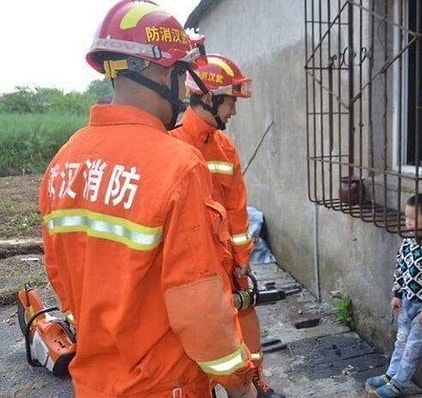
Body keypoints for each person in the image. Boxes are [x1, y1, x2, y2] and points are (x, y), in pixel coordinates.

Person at [38, 1, 257, 397]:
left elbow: (61, 276)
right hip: (163, 383)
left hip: (94, 383)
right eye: (182, 74)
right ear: (160, 70)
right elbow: (198, 305)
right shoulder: (176, 165)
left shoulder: (62, 162)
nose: (185, 88)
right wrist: (240, 381)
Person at [171, 54, 285, 398]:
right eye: (230, 102)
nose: (233, 111)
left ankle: (254, 383)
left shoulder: (224, 147)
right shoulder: (173, 146)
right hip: (191, 267)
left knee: (246, 321)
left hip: (227, 262)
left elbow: (237, 208)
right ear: (208, 98)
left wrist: (242, 257)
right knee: (200, 335)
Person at [365, 193, 422, 398]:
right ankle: (390, 375)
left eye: (412, 218)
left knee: (413, 347)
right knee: (401, 341)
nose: (407, 222)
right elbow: (400, 269)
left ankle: (398, 384)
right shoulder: (408, 243)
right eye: (406, 217)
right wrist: (397, 294)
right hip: (406, 303)